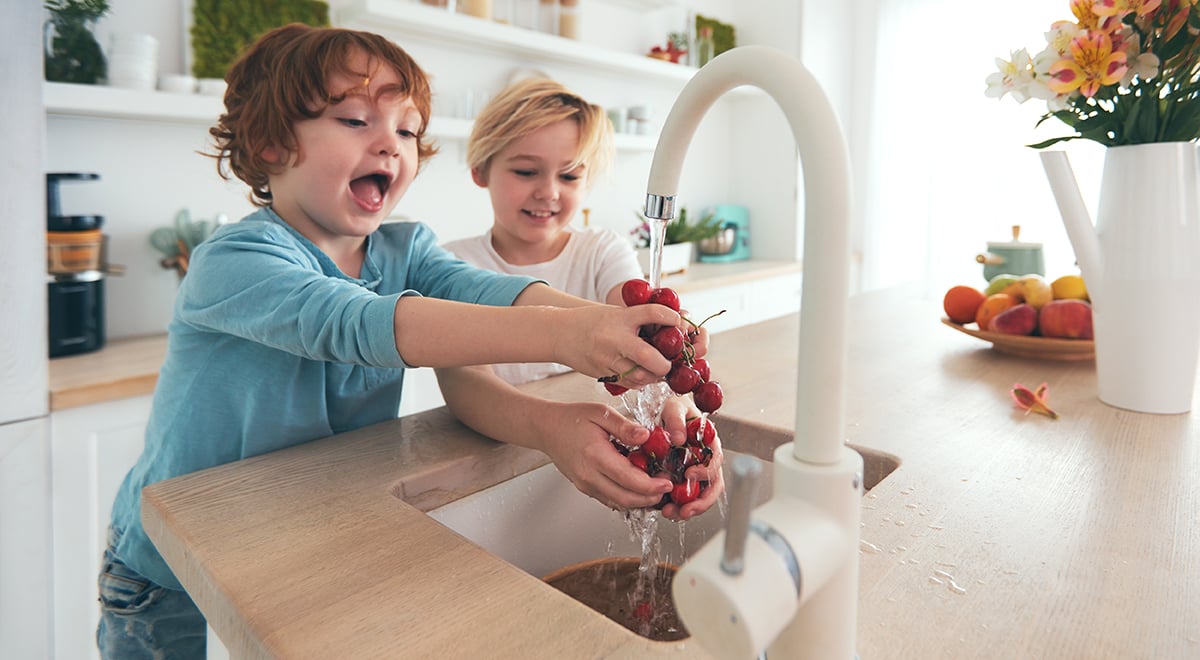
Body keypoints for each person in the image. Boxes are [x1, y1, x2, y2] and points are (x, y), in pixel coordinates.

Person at [97, 25, 699, 659]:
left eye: (407, 130)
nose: (390, 143)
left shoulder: (404, 247)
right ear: (272, 144)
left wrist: (624, 329)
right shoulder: (235, 260)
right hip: (172, 558)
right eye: (356, 119)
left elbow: (484, 291)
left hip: (302, 540)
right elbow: (356, 323)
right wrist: (573, 332)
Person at [439, 77, 723, 514]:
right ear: (480, 169)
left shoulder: (601, 251)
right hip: (494, 471)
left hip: (592, 451)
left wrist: (678, 403)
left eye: (569, 175)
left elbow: (641, 330)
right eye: (526, 171)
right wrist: (549, 427)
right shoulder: (451, 265)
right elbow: (465, 386)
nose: (548, 191)